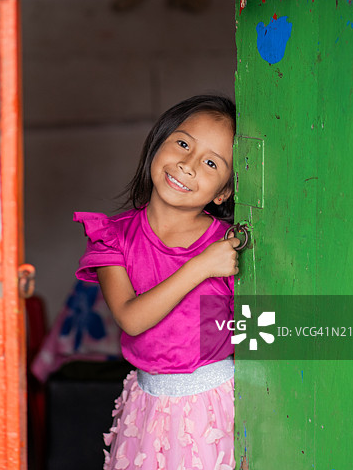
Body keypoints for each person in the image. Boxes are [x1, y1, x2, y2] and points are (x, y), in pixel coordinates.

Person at [74, 95, 240, 470]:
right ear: (156, 144)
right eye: (183, 143)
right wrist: (200, 267)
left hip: (215, 408)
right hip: (147, 407)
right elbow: (131, 318)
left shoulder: (229, 246)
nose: (187, 165)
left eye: (211, 163)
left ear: (223, 192)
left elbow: (251, 332)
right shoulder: (112, 237)